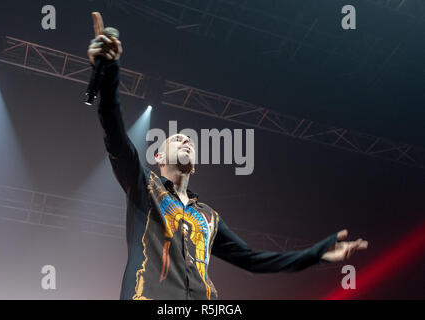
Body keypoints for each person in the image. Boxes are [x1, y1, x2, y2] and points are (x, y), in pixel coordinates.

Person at [87, 12, 368, 300]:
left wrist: (316, 255)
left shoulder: (209, 216)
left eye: (190, 141)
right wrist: (109, 71)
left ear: (194, 166)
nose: (186, 141)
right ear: (159, 156)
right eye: (177, 139)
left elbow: (253, 260)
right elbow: (114, 131)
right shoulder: (144, 185)